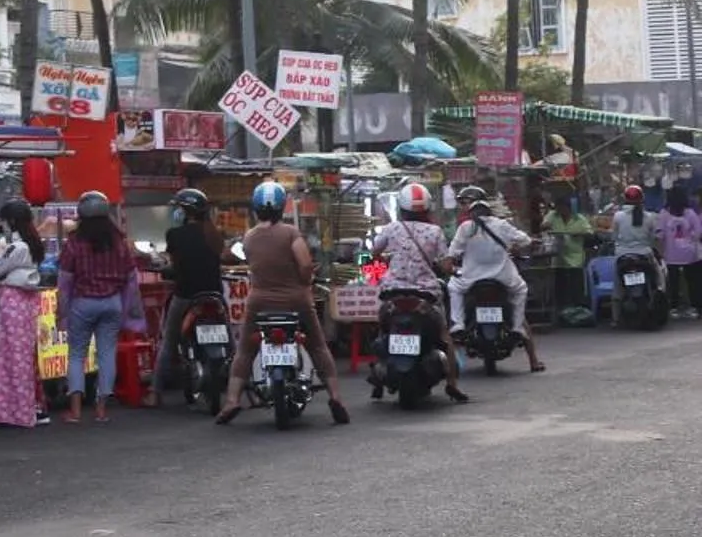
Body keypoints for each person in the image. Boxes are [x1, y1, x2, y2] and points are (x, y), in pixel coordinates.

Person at [219, 181, 350, 424]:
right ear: (282, 208)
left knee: (245, 350)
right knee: (318, 346)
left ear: (256, 208)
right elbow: (303, 265)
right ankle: (336, 397)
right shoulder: (290, 233)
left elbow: (250, 260)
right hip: (296, 301)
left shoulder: (249, 237)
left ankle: (232, 400)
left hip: (259, 303)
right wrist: (305, 279)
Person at [368, 183, 468, 403]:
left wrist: (386, 262)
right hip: (425, 296)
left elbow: (373, 253)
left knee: (380, 331)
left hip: (392, 293)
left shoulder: (392, 228)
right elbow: (444, 266)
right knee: (444, 337)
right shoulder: (435, 232)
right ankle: (452, 384)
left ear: (402, 208)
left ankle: (377, 377)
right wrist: (451, 269)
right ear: (428, 208)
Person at [55, 191, 136, 423]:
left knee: (77, 355)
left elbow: (65, 279)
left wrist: (62, 309)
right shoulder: (119, 242)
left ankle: (76, 411)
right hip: (112, 303)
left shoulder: (74, 243)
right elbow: (131, 275)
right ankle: (102, 410)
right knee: (107, 353)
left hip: (83, 303)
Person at [447, 185, 545, 372]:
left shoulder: (466, 227)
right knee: (520, 290)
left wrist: (451, 263)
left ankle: (458, 323)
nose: (462, 206)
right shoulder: (501, 225)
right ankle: (517, 328)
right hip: (502, 277)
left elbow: (453, 253)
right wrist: (517, 246)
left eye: (465, 202)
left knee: (454, 287)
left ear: (472, 208)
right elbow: (524, 240)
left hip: (472, 278)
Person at [152, 188, 227, 400]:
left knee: (169, 340)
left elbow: (174, 266)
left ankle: (154, 392)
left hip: (186, 295)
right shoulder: (214, 234)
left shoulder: (175, 235)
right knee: (229, 332)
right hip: (215, 293)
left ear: (185, 212)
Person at [0, 198, 47, 429]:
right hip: (25, 304)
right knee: (22, 356)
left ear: (11, 221)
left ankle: (17, 410)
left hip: (12, 302)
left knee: (11, 356)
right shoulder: (30, 243)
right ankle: (28, 407)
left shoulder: (17, 247)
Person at [663, 184, 702, 318]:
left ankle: (673, 307)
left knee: (673, 282)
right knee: (693, 281)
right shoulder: (690, 213)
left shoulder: (664, 214)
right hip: (691, 255)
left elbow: (659, 234)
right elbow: (698, 232)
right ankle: (694, 307)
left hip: (671, 255)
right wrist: (689, 240)